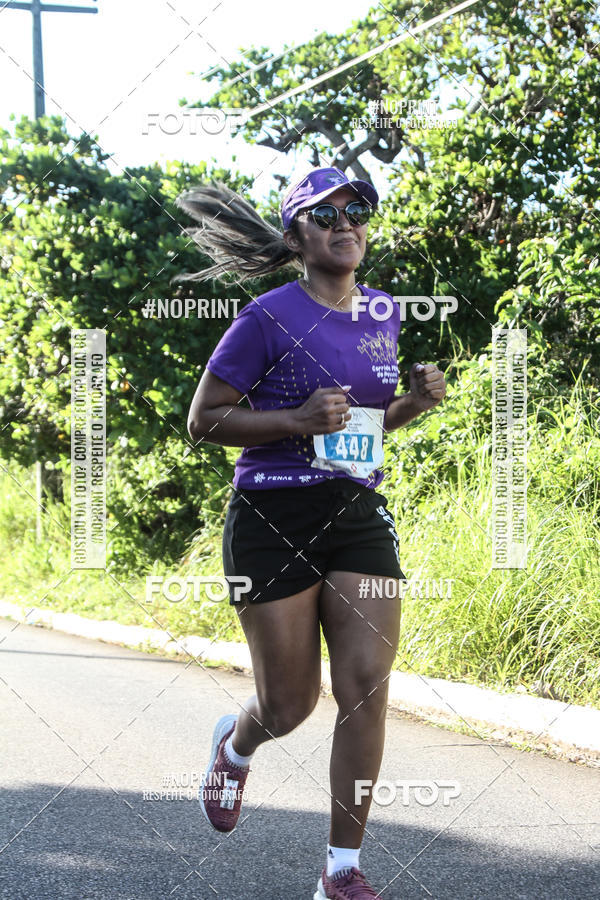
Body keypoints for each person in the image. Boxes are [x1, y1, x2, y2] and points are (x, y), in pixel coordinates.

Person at [180, 166, 446, 899]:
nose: (345, 224)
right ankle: (236, 746)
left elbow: (367, 423)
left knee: (365, 687)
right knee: (289, 705)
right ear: (297, 236)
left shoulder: (384, 312)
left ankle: (340, 870)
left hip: (357, 512)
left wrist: (412, 405)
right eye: (325, 216)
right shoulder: (265, 317)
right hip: (272, 515)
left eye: (356, 210)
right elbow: (203, 420)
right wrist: (295, 420)